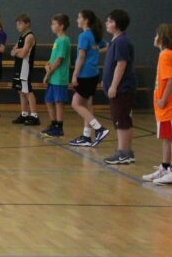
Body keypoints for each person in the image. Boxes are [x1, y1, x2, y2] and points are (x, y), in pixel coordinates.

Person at [68, 10, 109, 147]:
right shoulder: (94, 35)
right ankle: (86, 136)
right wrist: (95, 52)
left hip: (85, 74)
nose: (77, 20)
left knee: (76, 104)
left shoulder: (84, 36)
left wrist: (74, 74)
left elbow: (81, 56)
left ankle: (99, 129)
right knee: (87, 105)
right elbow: (107, 46)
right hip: (94, 73)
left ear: (86, 20)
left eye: (79, 17)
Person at [102, 9, 137, 163]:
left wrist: (113, 86)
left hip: (122, 88)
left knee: (121, 120)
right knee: (123, 119)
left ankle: (122, 152)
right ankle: (127, 152)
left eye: (109, 21)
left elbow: (121, 64)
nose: (106, 23)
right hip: (121, 87)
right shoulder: (116, 41)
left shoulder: (122, 41)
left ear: (117, 24)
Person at [144, 24, 172, 184]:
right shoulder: (167, 54)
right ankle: (165, 166)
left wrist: (163, 99)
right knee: (166, 138)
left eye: (157, 35)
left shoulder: (166, 55)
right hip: (165, 108)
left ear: (163, 38)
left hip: (169, 106)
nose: (154, 38)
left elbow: (171, 79)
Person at [40, 14, 71, 137]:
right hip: (53, 77)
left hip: (59, 77)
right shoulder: (57, 40)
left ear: (61, 26)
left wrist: (48, 73)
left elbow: (59, 60)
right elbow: (53, 58)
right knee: (49, 100)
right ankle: (53, 124)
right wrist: (47, 64)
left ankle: (59, 127)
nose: (51, 26)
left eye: (54, 24)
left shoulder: (64, 40)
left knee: (58, 102)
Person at [10, 14, 39, 126]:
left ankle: (34, 116)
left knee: (27, 91)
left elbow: (22, 54)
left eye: (20, 23)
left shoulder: (29, 37)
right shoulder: (22, 37)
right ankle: (24, 114)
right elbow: (12, 52)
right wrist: (18, 51)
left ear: (27, 24)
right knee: (20, 90)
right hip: (19, 66)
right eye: (17, 24)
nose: (18, 26)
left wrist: (17, 51)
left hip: (25, 66)